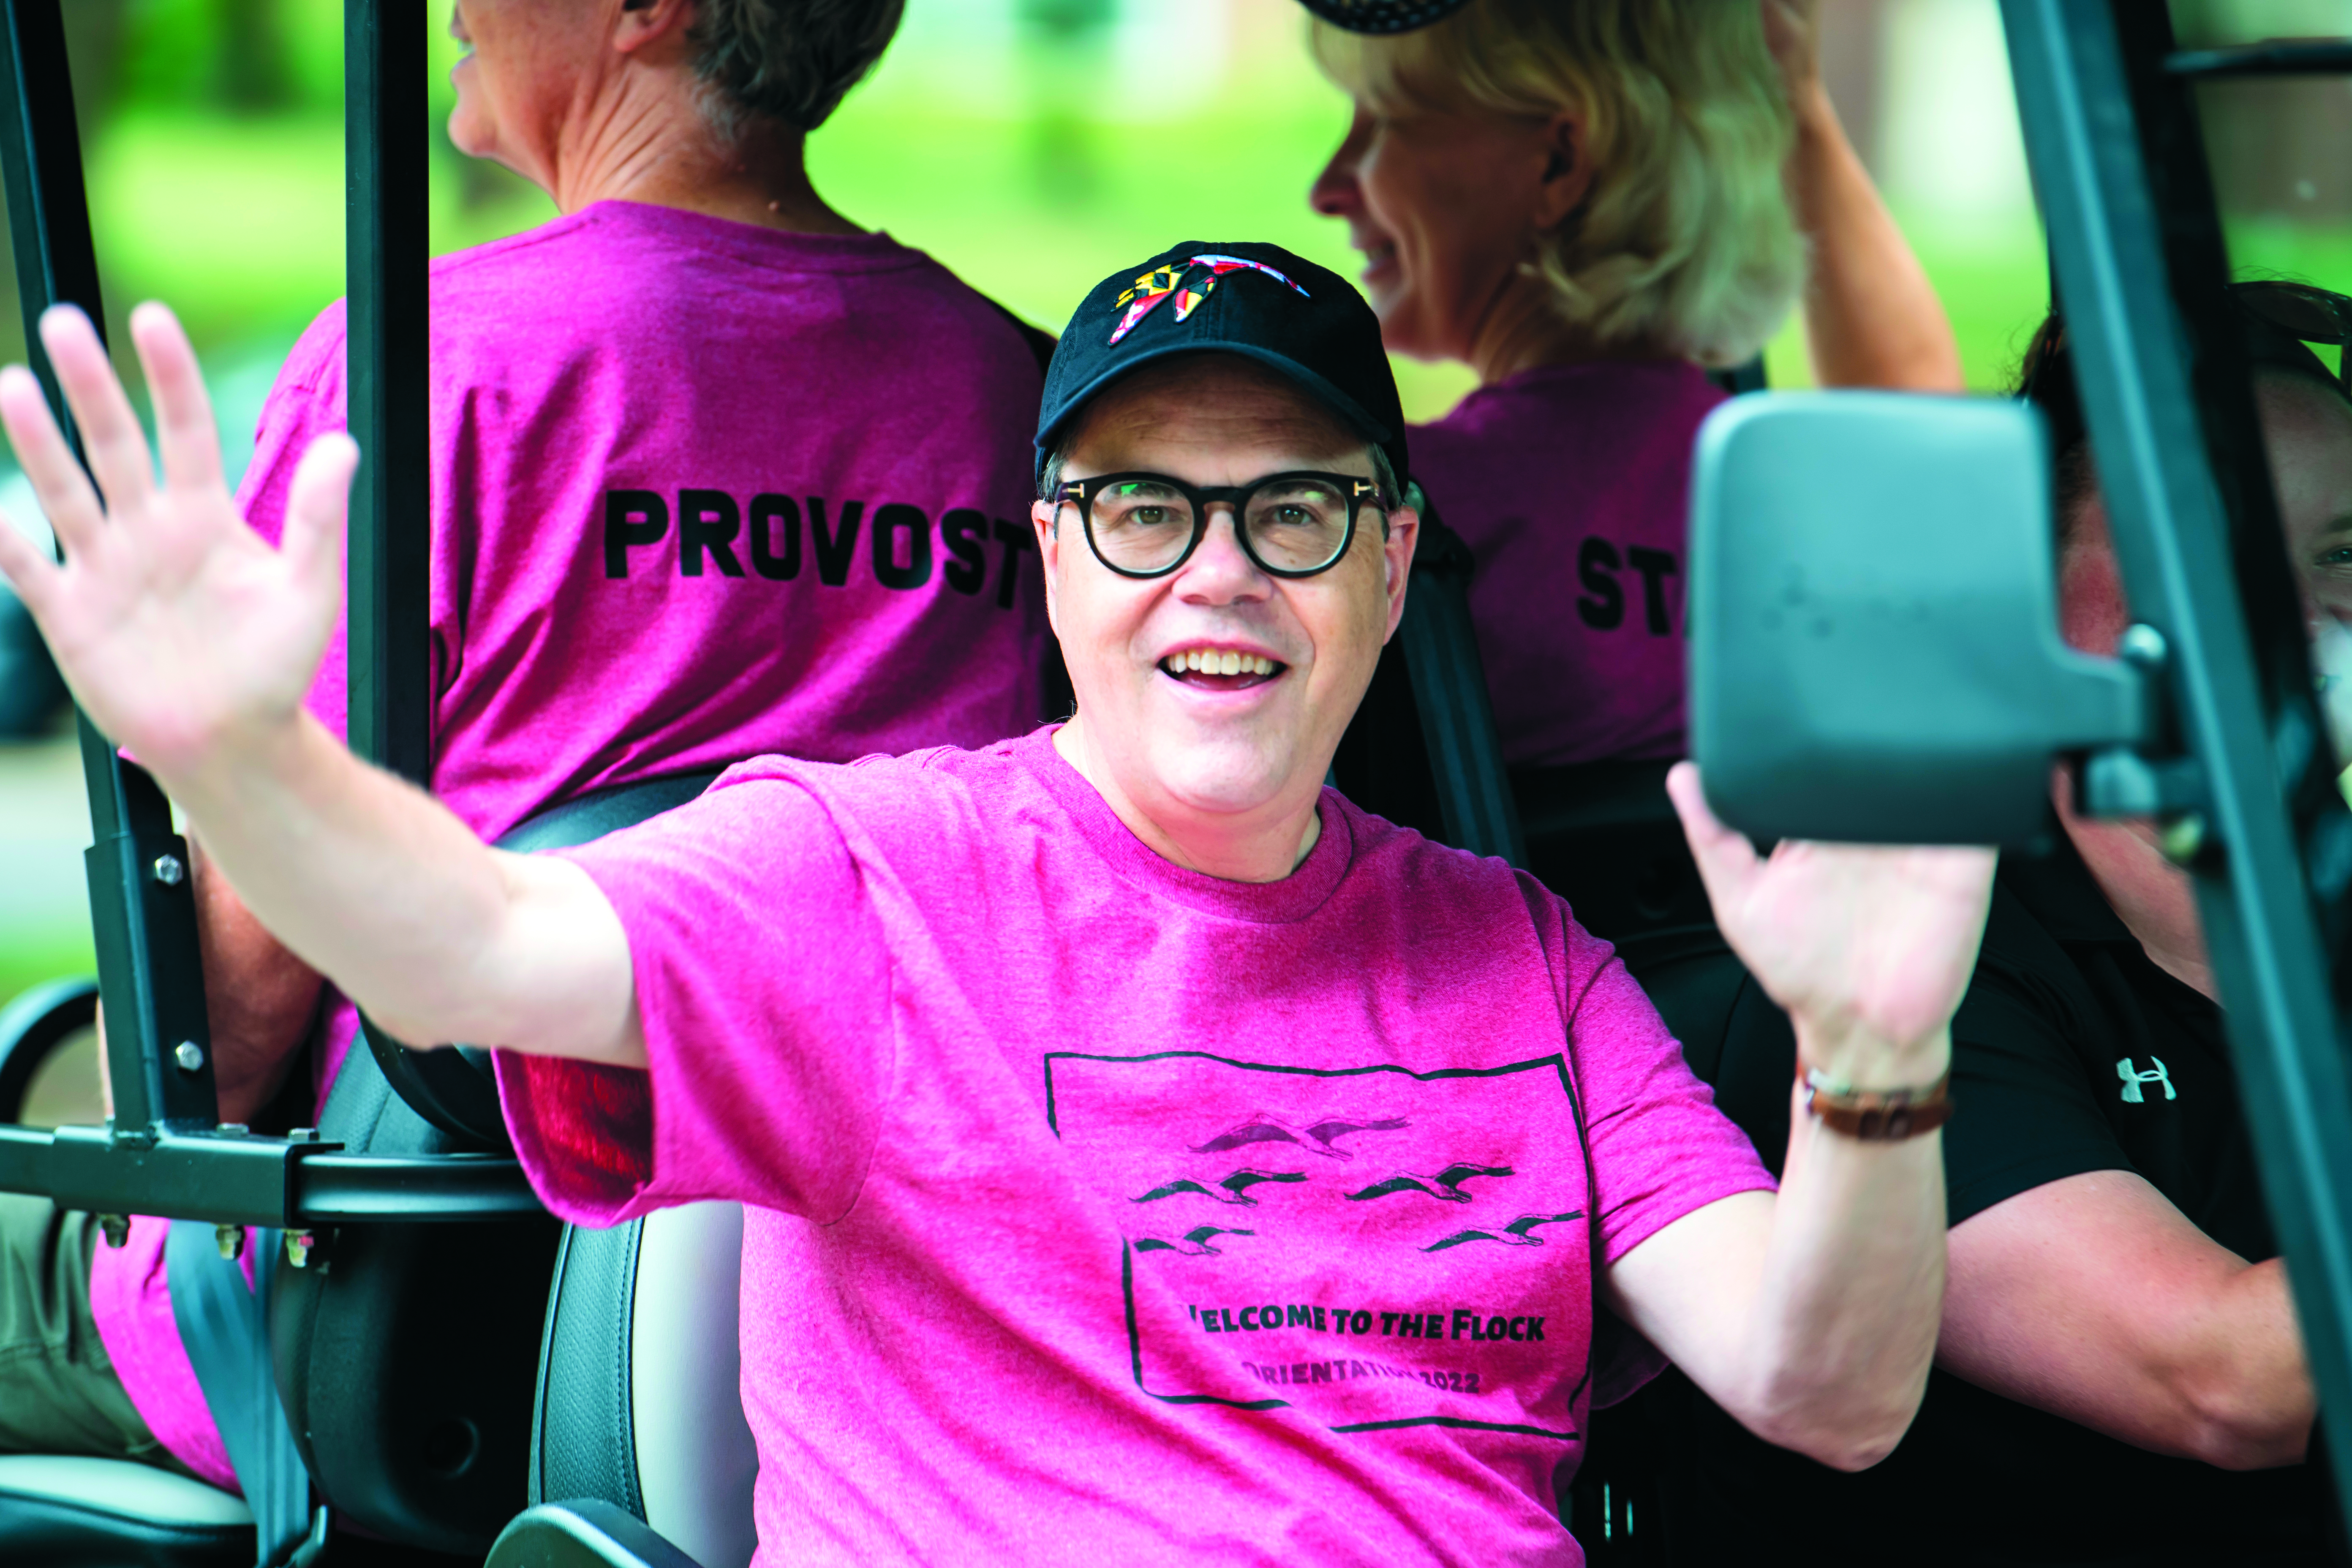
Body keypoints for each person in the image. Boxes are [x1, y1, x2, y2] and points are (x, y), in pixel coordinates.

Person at [0, 238, 1997, 1565]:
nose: (1216, 573)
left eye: (1291, 510)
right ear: (1050, 562)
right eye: (1144, 509)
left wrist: (1872, 1067)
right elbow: (473, 947)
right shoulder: (861, 879)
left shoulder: (1527, 963)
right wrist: (245, 762)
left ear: (1389, 568)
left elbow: (1820, 1386)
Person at [0, 0, 1055, 1496]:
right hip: (886, 1328)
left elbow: (212, 1048)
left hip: (403, 1315)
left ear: (645, 10)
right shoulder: (1014, 394)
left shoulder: (433, 372)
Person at [1666, 285, 2352, 1567]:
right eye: (2211, 556)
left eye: (2345, 552)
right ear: (2028, 600)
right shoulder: (1906, 959)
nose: (2304, 618)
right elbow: (2229, 1383)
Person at [1307, 0, 1962, 772]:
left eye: (1384, 121)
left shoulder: (1386, 516)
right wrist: (1799, 101)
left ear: (1557, 161)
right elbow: (1924, 426)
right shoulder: (1836, 521)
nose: (1330, 187)